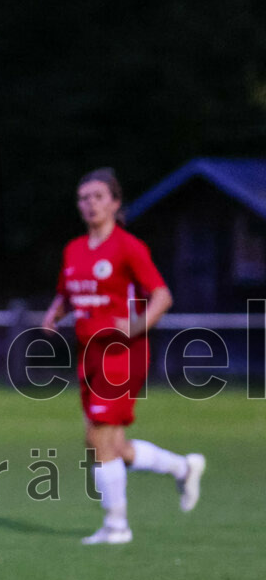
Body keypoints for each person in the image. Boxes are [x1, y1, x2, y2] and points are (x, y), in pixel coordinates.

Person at [42, 167, 205, 545]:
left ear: (115, 203)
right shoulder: (74, 250)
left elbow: (162, 296)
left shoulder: (128, 246)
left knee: (100, 438)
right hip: (89, 354)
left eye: (98, 196)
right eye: (84, 198)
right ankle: (182, 467)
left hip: (122, 354)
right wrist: (54, 314)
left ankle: (117, 527)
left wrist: (134, 326)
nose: (90, 204)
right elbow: (68, 292)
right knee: (107, 444)